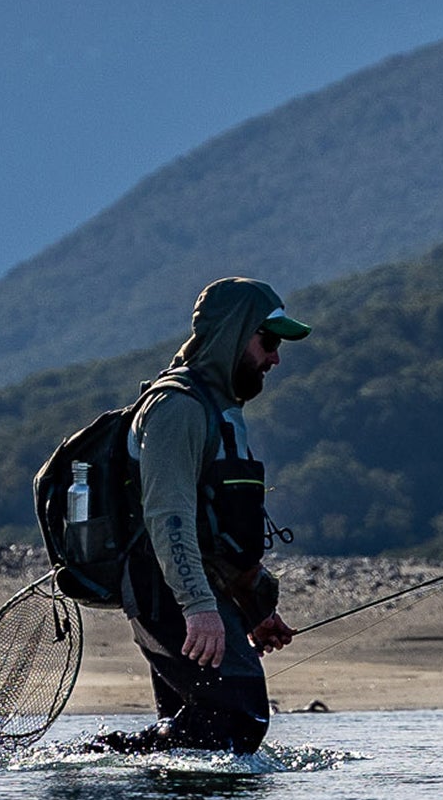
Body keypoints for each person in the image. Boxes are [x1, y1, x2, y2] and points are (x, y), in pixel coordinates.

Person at [105, 276, 307, 755]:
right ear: (234, 334)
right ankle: (91, 774)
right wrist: (198, 608)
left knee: (199, 741)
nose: (276, 357)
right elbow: (168, 515)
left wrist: (256, 609)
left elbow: (221, 531)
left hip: (197, 597)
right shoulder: (177, 408)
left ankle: (139, 786)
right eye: (269, 341)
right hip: (168, 595)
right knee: (238, 718)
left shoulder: (221, 411)